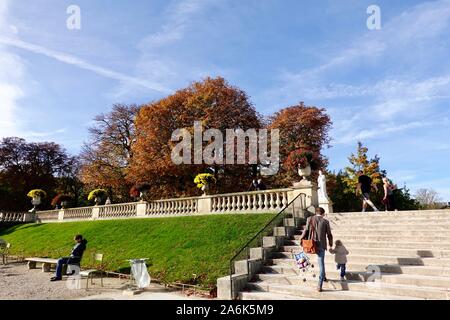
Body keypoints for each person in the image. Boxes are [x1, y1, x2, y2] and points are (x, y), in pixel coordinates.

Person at [299, 207, 333, 292]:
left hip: (311, 244)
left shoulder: (309, 219)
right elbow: (329, 234)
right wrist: (331, 243)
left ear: (316, 212)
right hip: (321, 245)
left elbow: (306, 230)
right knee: (321, 264)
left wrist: (301, 239)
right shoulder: (325, 221)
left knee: (320, 264)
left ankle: (323, 277)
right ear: (323, 214)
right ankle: (319, 285)